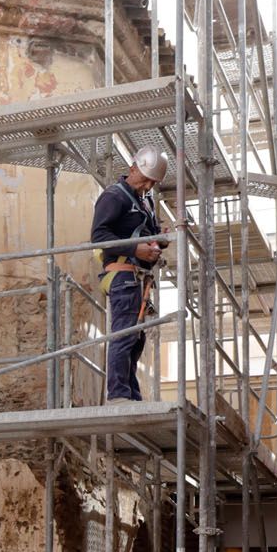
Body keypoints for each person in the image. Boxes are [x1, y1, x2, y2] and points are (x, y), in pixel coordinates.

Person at [92, 146, 170, 401]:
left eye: (153, 182)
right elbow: (99, 237)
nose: (148, 185)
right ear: (133, 168)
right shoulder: (115, 197)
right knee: (124, 335)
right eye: (145, 179)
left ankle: (131, 394)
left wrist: (159, 241)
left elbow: (149, 233)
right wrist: (135, 249)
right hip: (123, 275)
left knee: (135, 340)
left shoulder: (145, 201)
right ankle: (118, 394)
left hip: (138, 279)